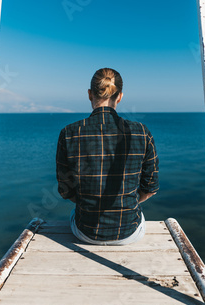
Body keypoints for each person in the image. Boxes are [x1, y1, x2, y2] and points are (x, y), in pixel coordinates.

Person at [56, 68, 159, 245]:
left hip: (85, 232)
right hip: (129, 232)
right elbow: (150, 188)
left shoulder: (69, 133)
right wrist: (130, 201)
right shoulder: (142, 132)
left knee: (74, 213)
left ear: (90, 94)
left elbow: (65, 190)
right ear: (119, 96)